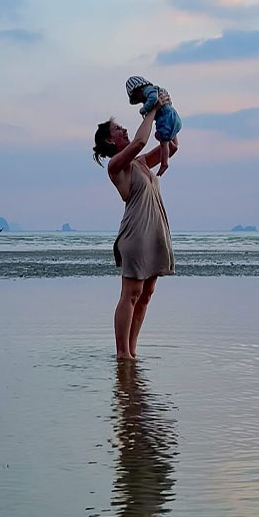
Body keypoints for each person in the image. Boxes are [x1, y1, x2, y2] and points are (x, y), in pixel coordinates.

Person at [93, 101, 177, 360]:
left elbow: (172, 147)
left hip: (154, 233)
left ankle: (132, 350)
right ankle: (122, 353)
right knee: (131, 294)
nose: (124, 130)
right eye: (118, 129)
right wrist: (151, 110)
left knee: (146, 295)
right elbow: (140, 141)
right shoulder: (116, 166)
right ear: (110, 140)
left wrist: (166, 112)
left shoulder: (140, 163)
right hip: (136, 234)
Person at [125, 76, 181, 176]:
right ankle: (171, 146)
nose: (140, 100)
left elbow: (153, 99)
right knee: (166, 140)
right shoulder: (158, 90)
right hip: (174, 116)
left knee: (164, 143)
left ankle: (164, 164)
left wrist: (144, 109)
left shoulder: (148, 91)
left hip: (165, 119)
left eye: (137, 97)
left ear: (139, 90)